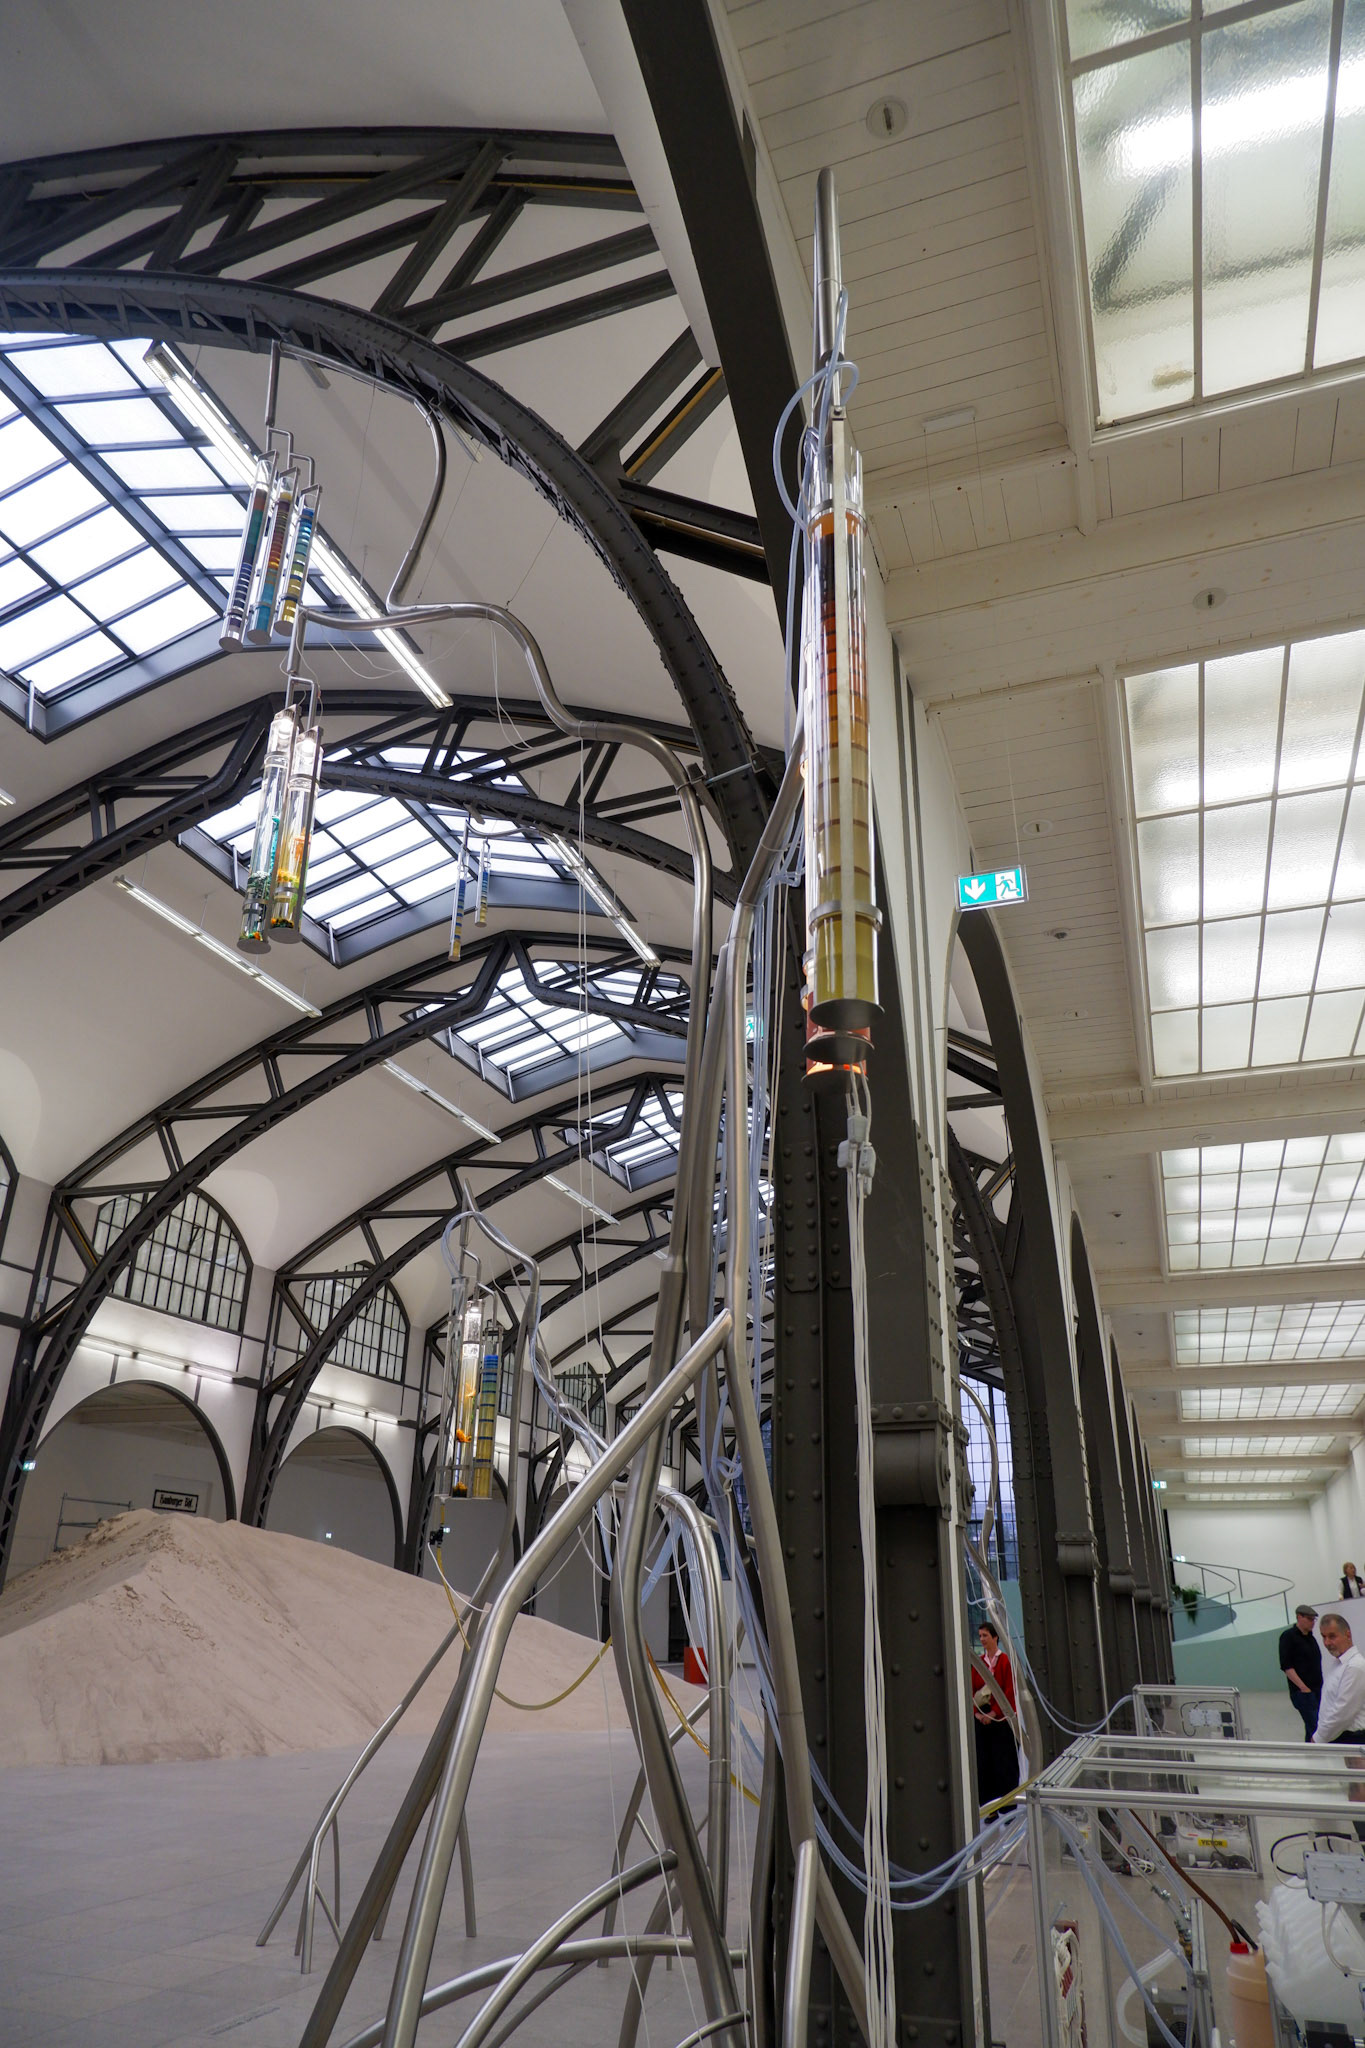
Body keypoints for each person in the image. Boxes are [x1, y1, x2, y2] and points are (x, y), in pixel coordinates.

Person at [973, 1620, 1020, 1809]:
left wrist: (994, 1713)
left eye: (985, 1635)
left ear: (995, 1637)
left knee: (1004, 1763)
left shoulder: (1005, 1662)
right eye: (980, 1636)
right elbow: (971, 1689)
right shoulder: (978, 1663)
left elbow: (1009, 1691)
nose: (982, 1639)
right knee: (984, 1764)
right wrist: (978, 1714)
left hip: (1001, 1721)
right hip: (983, 1719)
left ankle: (1008, 1806)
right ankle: (989, 1808)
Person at [1312, 1613, 1365, 1744]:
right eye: (1323, 1637)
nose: (1327, 1643)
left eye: (1332, 1636)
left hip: (1350, 1740)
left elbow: (1342, 1713)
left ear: (1348, 1635)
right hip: (1336, 1736)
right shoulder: (1339, 1664)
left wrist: (1318, 1738)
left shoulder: (1355, 1666)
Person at [1279, 1603, 1323, 1740]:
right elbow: (1287, 1666)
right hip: (1303, 1692)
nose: (1312, 1623)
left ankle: (1309, 1750)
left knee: (1312, 1728)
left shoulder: (1311, 1638)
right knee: (1316, 1727)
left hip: (1316, 1689)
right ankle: (1317, 1750)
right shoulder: (1288, 1637)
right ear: (1299, 1617)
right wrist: (1303, 1688)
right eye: (1309, 1619)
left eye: (1313, 1619)